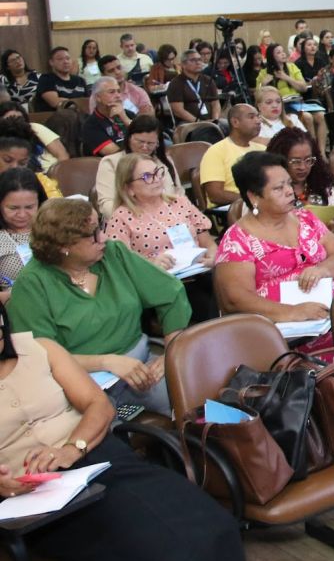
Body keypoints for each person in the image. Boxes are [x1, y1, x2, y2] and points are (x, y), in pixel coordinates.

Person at [0, 303, 259, 561]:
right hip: (34, 499)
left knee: (215, 526)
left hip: (96, 459)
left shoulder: (40, 350)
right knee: (161, 560)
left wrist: (71, 447)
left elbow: (98, 404)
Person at [9, 198, 190, 414]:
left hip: (141, 366)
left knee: (193, 403)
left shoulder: (113, 254)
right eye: (93, 234)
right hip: (77, 383)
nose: (104, 237)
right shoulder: (32, 284)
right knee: (101, 425)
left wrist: (171, 352)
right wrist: (105, 362)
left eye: (101, 227)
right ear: (64, 246)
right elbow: (40, 355)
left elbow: (171, 293)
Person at [214, 151, 334, 326]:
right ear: (253, 197)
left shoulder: (305, 219)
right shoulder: (237, 241)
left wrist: (322, 270)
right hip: (282, 330)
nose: (290, 191)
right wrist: (293, 312)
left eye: (289, 184)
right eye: (278, 188)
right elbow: (236, 299)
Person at [105, 153, 219, 321]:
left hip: (199, 274)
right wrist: (151, 264)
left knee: (231, 289)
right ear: (128, 188)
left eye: (158, 172)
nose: (157, 179)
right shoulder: (121, 218)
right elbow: (120, 267)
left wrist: (213, 256)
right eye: (147, 177)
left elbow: (208, 243)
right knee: (207, 306)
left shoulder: (179, 203)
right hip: (160, 285)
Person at [94, 115, 181, 218]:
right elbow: (107, 206)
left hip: (169, 218)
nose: (144, 147)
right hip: (128, 221)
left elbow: (179, 194)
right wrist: (141, 220)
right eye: (140, 142)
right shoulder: (110, 163)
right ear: (129, 138)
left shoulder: (165, 162)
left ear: (157, 143)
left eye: (150, 143)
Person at [198, 103, 260, 207]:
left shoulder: (262, 149)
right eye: (251, 117)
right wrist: (253, 200)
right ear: (235, 122)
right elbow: (215, 195)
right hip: (234, 208)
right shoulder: (216, 152)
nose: (258, 121)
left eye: (258, 117)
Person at [0, 168, 43, 304]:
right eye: (13, 208)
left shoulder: (55, 230)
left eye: (29, 207)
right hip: (13, 305)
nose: (22, 215)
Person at [0, 101, 68, 172]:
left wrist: (56, 174)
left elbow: (62, 155)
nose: (16, 121)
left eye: (20, 119)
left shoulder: (34, 127)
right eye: (10, 118)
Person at [79, 76, 132, 157]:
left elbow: (147, 136)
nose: (118, 95)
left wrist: (125, 119)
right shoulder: (91, 125)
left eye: (118, 91)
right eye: (111, 92)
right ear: (98, 97)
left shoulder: (128, 114)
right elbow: (115, 154)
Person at [167, 48, 222, 126]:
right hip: (188, 123)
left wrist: (215, 121)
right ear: (183, 65)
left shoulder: (208, 80)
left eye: (199, 60)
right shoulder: (176, 83)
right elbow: (178, 110)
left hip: (211, 121)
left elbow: (215, 103)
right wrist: (200, 123)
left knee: (228, 126)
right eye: (193, 60)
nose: (198, 62)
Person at [32, 47, 89, 113]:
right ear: (51, 62)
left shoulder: (80, 80)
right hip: (55, 116)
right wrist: (79, 103)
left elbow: (88, 102)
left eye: (68, 58)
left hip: (82, 115)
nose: (65, 62)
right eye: (60, 59)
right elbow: (55, 102)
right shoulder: (46, 79)